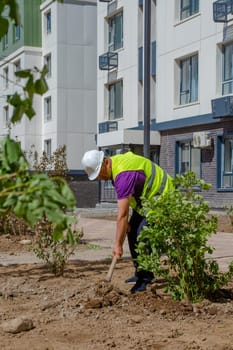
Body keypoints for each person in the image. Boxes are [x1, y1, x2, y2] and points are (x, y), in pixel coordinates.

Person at [81, 149, 174, 294]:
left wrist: (118, 245)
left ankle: (144, 280)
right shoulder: (116, 167)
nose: (100, 178)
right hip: (146, 200)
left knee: (142, 235)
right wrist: (126, 228)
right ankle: (141, 273)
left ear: (106, 162)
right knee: (132, 233)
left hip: (161, 196)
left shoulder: (123, 174)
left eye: (99, 173)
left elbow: (122, 215)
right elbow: (125, 214)